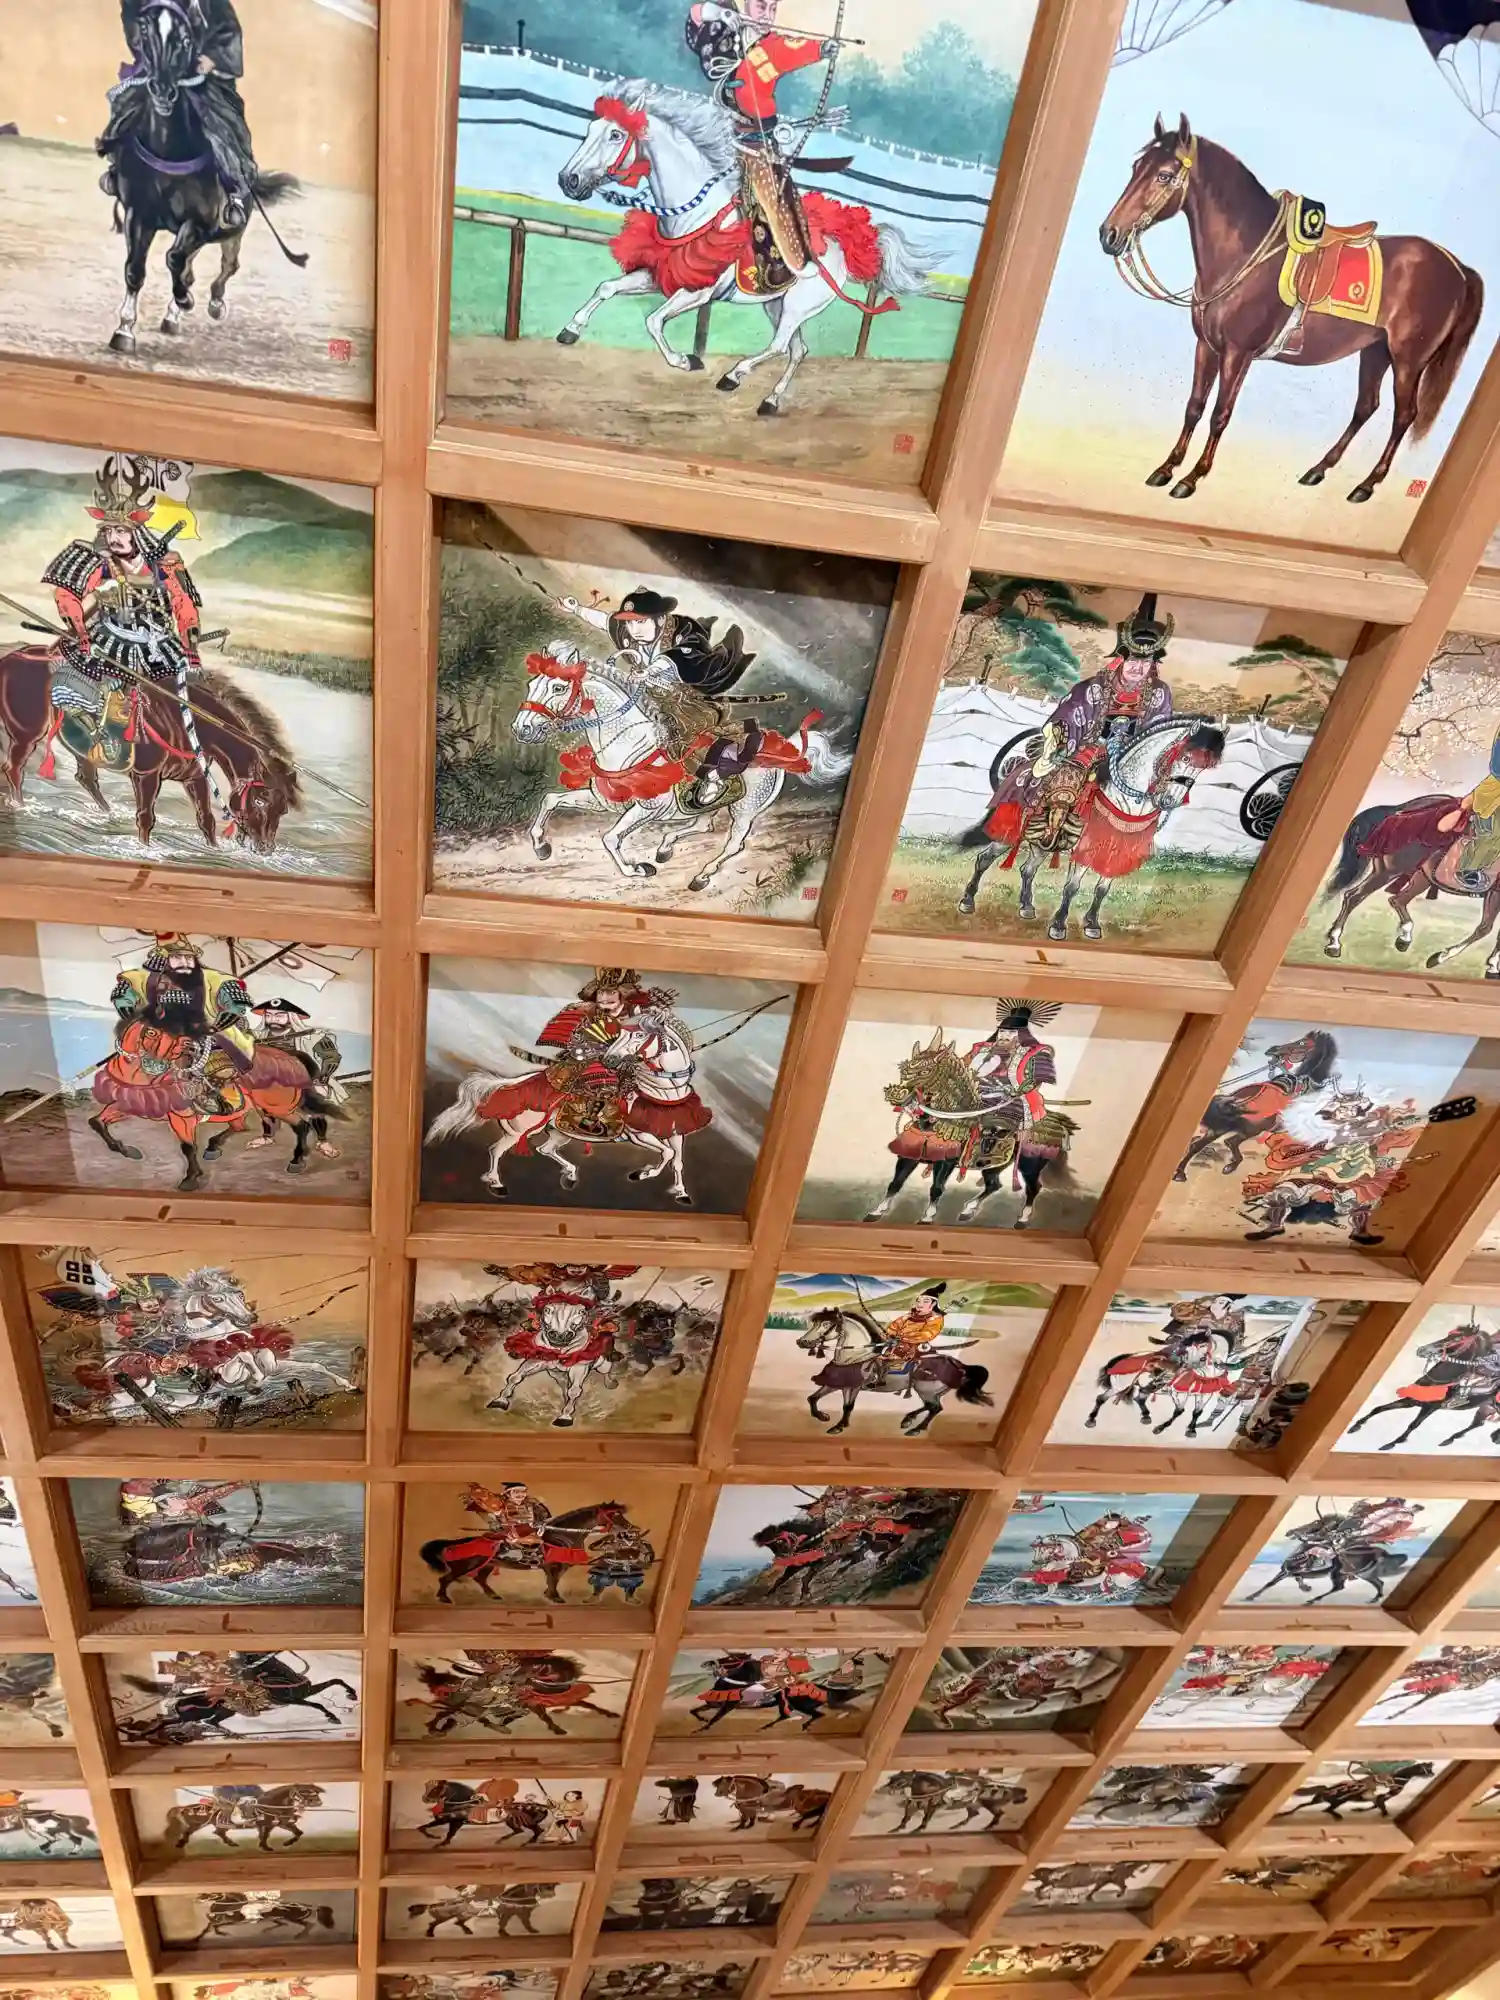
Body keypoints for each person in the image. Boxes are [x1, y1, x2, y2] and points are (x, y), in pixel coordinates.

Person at [979, 594, 1176, 860]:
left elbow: (1159, 732)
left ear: (1153, 664)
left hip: (1131, 760)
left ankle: (1123, 846)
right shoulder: (1093, 687)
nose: (1138, 668)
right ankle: (1048, 833)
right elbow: (1070, 714)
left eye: (1145, 662)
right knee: (1062, 786)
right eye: (1132, 660)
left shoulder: (1160, 694)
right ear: (1120, 659)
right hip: (1087, 749)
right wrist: (1063, 736)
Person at [42, 461, 203, 770]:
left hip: (160, 646)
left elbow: (184, 604)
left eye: (120, 530)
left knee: (184, 696)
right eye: (108, 530)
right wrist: (81, 630)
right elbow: (66, 595)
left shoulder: (166, 565)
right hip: (110, 640)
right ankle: (101, 736)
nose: (113, 537)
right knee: (67, 685)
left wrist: (190, 646)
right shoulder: (99, 563)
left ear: (136, 532)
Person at [683, 0, 837, 284]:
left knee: (772, 195)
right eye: (761, 6)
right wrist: (722, 14)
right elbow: (697, 14)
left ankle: (794, 260)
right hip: (718, 131)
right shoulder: (724, 30)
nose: (767, 15)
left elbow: (797, 49)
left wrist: (823, 48)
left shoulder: (773, 47)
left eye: (773, 8)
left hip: (756, 142)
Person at [97, 0, 259, 230]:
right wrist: (147, 46)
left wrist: (213, 58)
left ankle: (234, 188)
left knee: (226, 121)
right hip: (158, 68)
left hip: (201, 76)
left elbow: (229, 30)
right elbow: (132, 17)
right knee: (124, 101)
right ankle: (118, 170)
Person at [245, 998, 345, 1161]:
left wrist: (322, 1080)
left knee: (314, 1109)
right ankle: (267, 1136)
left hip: (304, 1078)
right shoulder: (256, 1037)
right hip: (270, 1080)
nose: (273, 1020)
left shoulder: (311, 1036)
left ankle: (322, 1141)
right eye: (269, 1015)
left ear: (291, 1017)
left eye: (279, 1016)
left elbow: (331, 1057)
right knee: (265, 1106)